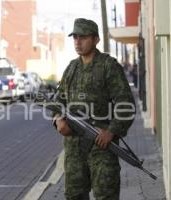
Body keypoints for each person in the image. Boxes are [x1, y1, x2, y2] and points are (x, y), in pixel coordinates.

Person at [52, 18, 136, 200]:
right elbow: (58, 101)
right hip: (74, 149)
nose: (78, 41)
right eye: (75, 37)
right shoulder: (71, 68)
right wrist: (58, 120)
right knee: (74, 196)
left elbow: (126, 104)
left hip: (101, 146)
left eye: (83, 37)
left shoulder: (108, 66)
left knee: (106, 195)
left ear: (96, 39)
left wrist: (111, 132)